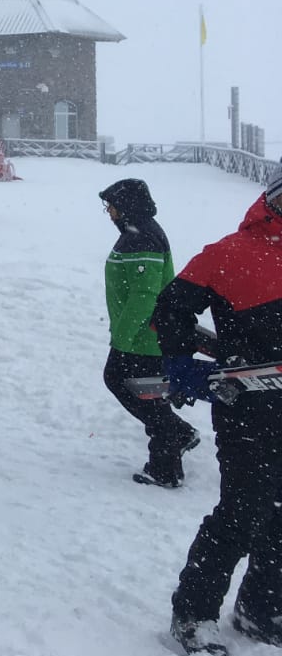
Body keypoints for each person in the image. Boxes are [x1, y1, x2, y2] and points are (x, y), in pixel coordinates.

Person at [153, 164, 282, 656]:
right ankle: (194, 614)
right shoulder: (229, 254)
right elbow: (169, 312)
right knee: (243, 512)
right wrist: (183, 360)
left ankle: (261, 609)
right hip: (247, 407)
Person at [98, 178, 199, 487]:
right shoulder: (138, 233)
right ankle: (176, 437)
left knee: (131, 387)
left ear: (127, 205)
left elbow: (145, 295)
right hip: (144, 335)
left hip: (146, 336)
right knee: (145, 392)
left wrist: (124, 339)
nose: (110, 213)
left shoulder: (142, 238)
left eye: (112, 206)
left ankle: (166, 466)